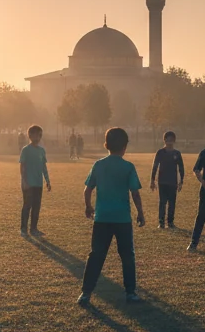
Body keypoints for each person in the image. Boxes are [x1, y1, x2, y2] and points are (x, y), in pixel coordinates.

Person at [78, 126, 145, 304]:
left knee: (96, 255)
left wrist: (88, 207)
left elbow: (88, 189)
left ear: (106, 144)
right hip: (122, 219)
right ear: (125, 146)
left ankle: (85, 293)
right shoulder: (128, 167)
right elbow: (135, 193)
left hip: (102, 219)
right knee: (127, 256)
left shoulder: (98, 165)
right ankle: (130, 292)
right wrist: (140, 213)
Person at [19, 124, 51, 236]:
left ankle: (34, 229)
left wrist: (47, 180)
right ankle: (23, 229)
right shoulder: (25, 150)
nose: (38, 137)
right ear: (30, 136)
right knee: (27, 206)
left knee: (36, 207)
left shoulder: (42, 151)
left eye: (39, 135)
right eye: (35, 135)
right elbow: (22, 166)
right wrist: (24, 181)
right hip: (28, 184)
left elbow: (43, 166)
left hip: (38, 183)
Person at [150, 130, 185, 229]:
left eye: (172, 140)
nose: (169, 142)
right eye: (168, 140)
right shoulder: (160, 152)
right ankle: (161, 222)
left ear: (174, 141)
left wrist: (181, 181)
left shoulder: (177, 153)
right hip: (162, 181)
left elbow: (181, 168)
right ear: (164, 140)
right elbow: (155, 166)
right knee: (162, 202)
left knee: (172, 203)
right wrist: (152, 180)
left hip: (172, 182)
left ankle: (170, 222)